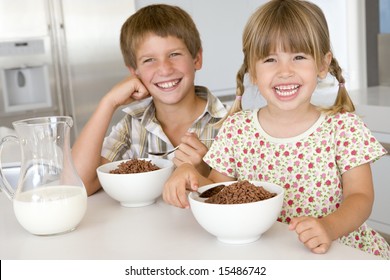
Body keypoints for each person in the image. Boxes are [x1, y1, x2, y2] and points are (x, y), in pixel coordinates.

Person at [163, 0, 390, 259]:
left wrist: (329, 226)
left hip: (340, 252)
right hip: (268, 255)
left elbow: (360, 197)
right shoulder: (237, 130)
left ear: (323, 64)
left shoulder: (344, 128)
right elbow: (218, 193)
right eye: (270, 59)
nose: (284, 71)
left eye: (299, 57)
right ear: (253, 71)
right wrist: (188, 175)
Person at [71, 4, 227, 196]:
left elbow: (243, 199)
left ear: (197, 59)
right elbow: (78, 185)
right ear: (134, 71)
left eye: (174, 54)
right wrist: (108, 103)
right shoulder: (132, 126)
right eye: (149, 60)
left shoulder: (230, 123)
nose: (165, 69)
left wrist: (205, 174)